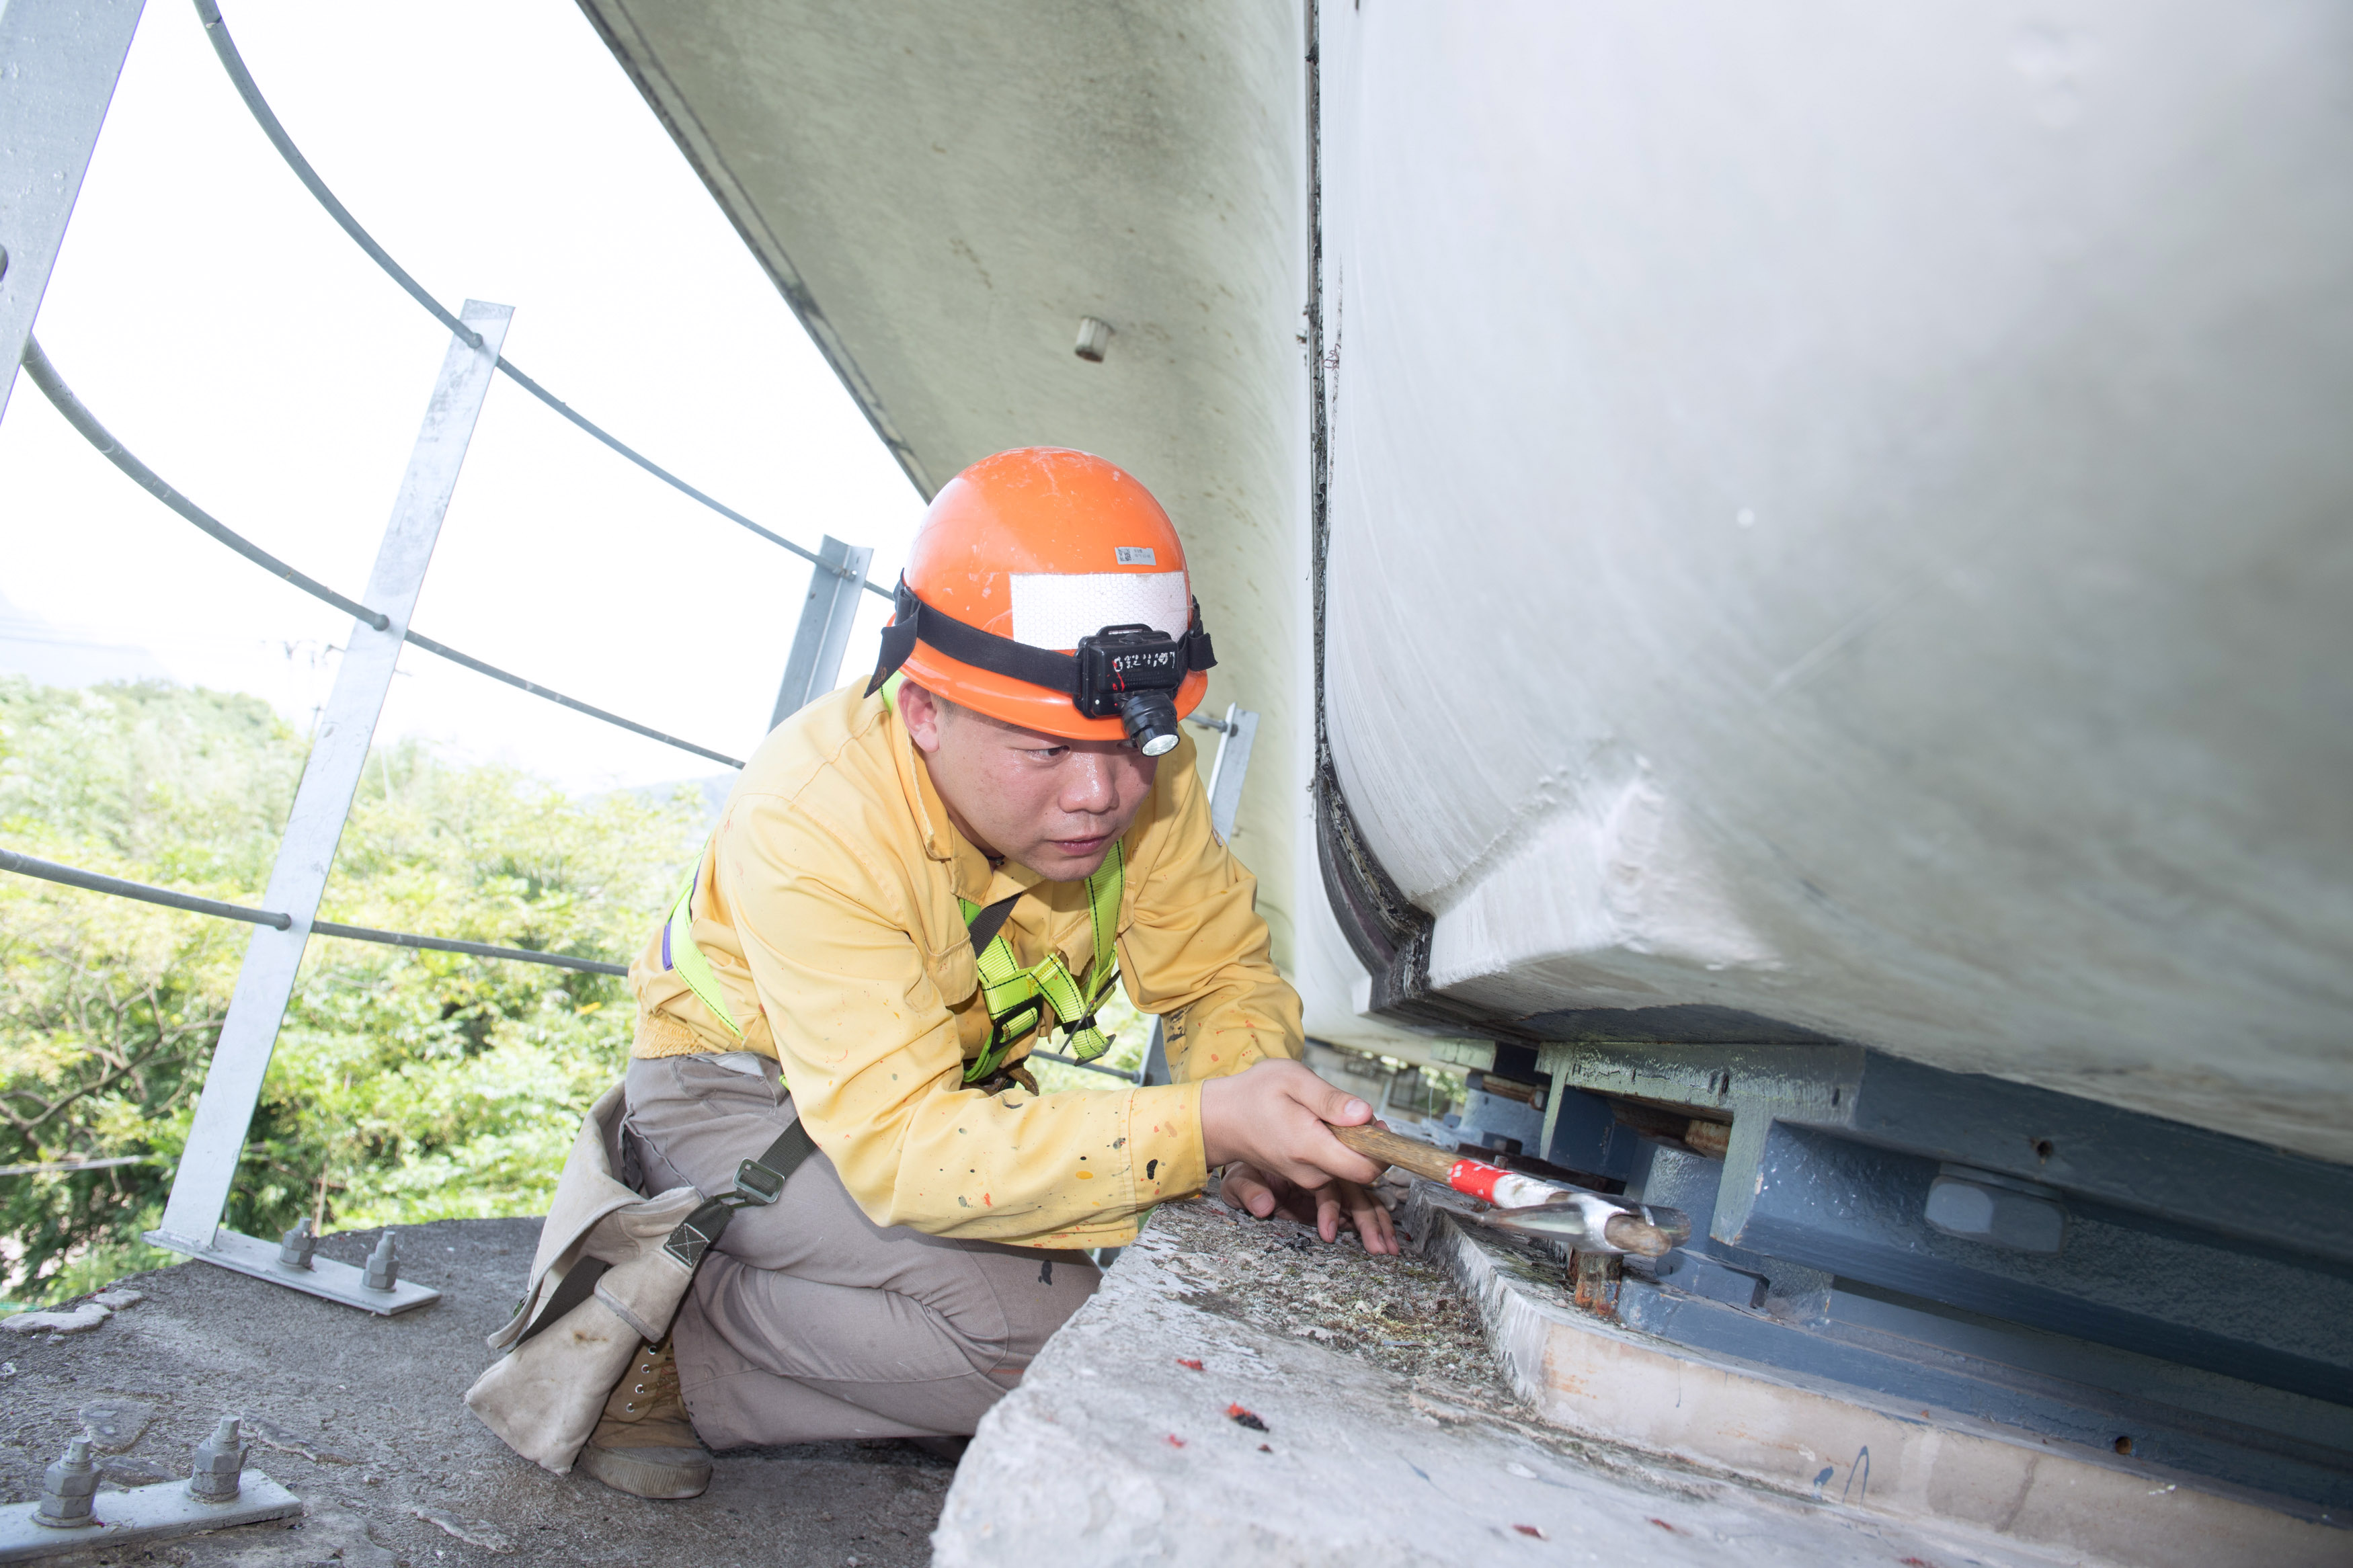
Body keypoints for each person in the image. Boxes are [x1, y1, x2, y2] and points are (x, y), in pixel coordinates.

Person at [582, 447, 1396, 1501]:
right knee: (1050, 1342)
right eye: (1044, 752)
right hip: (733, 1090)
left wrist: (1260, 1127)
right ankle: (655, 1328)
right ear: (926, 710)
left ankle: (787, 1291)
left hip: (914, 1099)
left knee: (1059, 1296)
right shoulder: (816, 812)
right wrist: (1209, 1128)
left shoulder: (1141, 769)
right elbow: (907, 1149)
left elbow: (1221, 975)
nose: (1102, 794)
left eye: (1128, 745)